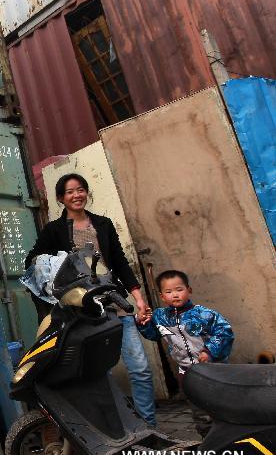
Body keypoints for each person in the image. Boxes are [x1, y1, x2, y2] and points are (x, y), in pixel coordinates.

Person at [25, 173, 157, 426]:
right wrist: (55, 277)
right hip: (83, 312)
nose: (77, 195)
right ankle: (111, 426)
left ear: (87, 192)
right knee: (99, 374)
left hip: (115, 302)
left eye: (81, 189)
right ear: (61, 198)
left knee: (139, 368)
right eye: (70, 192)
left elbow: (119, 262)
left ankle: (148, 425)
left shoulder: (103, 224)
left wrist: (138, 298)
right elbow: (32, 261)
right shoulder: (54, 230)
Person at [137, 270, 233, 435]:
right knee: (199, 411)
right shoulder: (160, 317)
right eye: (169, 292)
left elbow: (224, 332)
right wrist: (143, 323)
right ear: (162, 296)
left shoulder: (204, 314)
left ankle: (231, 438)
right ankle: (209, 443)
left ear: (189, 290)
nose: (174, 295)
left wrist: (209, 351)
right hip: (187, 372)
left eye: (179, 289)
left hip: (213, 369)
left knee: (221, 405)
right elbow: (153, 335)